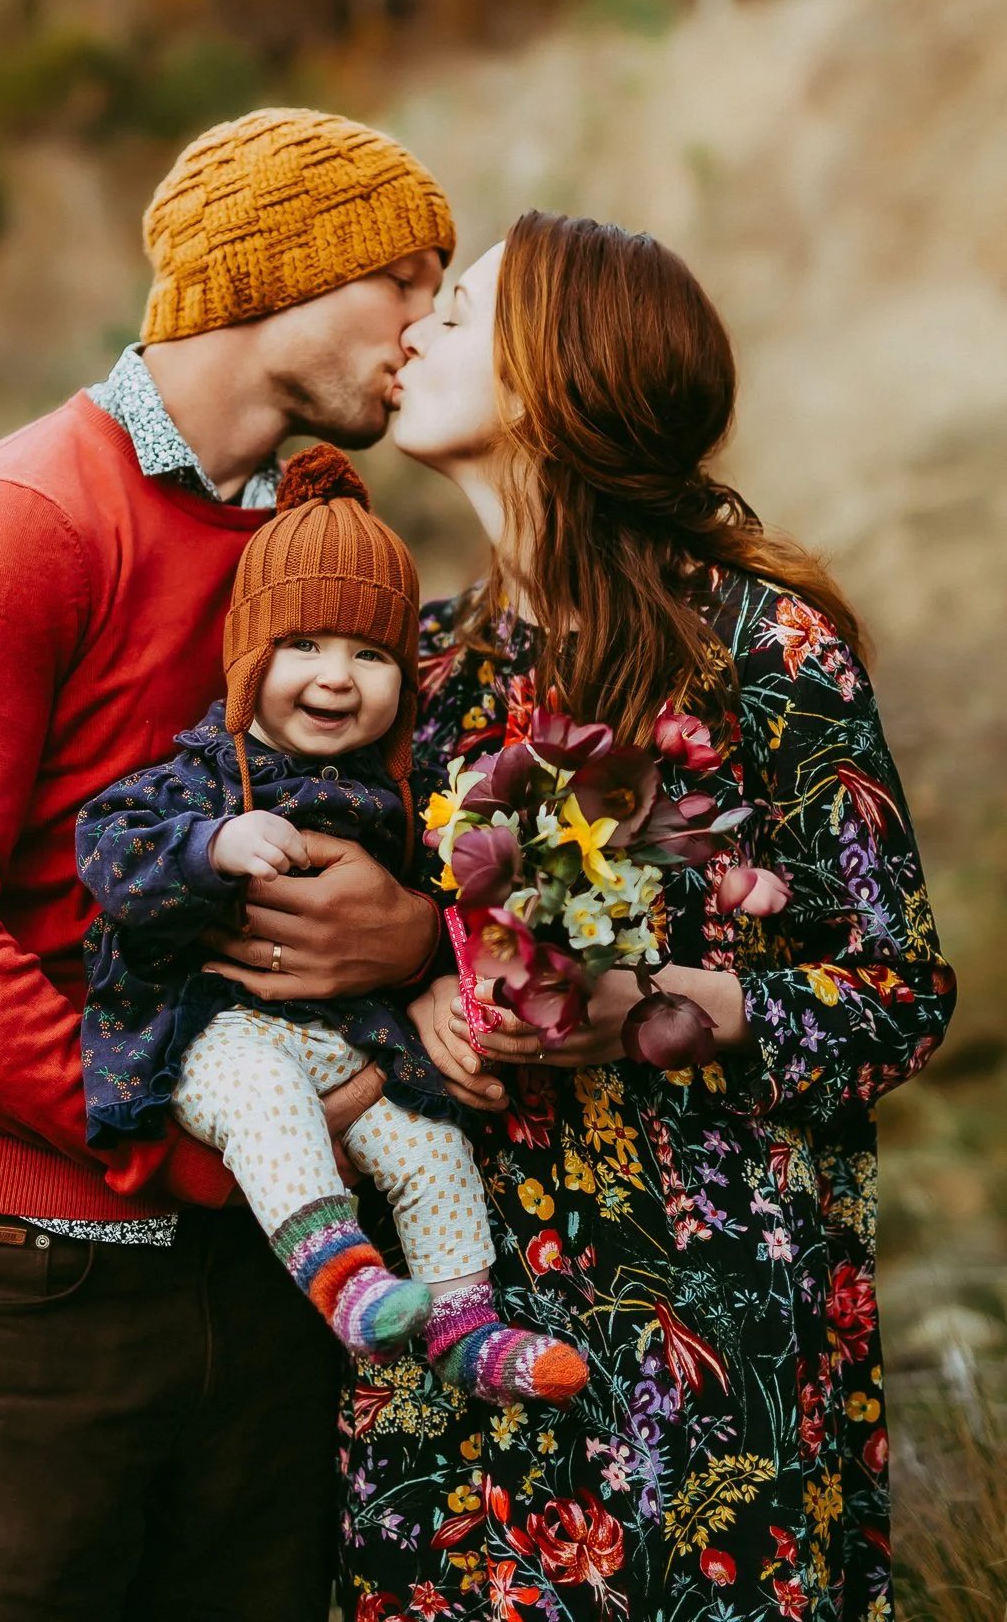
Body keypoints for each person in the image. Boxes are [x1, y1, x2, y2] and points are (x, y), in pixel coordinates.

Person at [0, 107, 457, 1622]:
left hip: (272, 1270)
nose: (427, 327)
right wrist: (186, 1142)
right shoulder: (25, 520)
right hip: (26, 1276)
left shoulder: (304, 554)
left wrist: (411, 937)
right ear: (281, 275)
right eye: (405, 280)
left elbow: (378, 844)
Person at [332, 214, 956, 1621]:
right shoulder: (418, 673)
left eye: (461, 308)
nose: (416, 327)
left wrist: (652, 1008)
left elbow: (900, 998)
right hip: (460, 1344)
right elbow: (339, 961)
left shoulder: (761, 649)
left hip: (710, 1345)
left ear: (556, 371)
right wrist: (419, 991)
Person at [75, 442, 588, 1403]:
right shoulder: (199, 776)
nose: (337, 677)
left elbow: (447, 907)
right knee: (265, 1102)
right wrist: (211, 847)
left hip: (347, 1039)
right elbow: (108, 852)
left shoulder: (398, 796)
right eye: (302, 645)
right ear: (249, 656)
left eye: (371, 654)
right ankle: (348, 1287)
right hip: (211, 1033)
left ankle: (463, 1327)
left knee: (429, 1143)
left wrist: (437, 954)